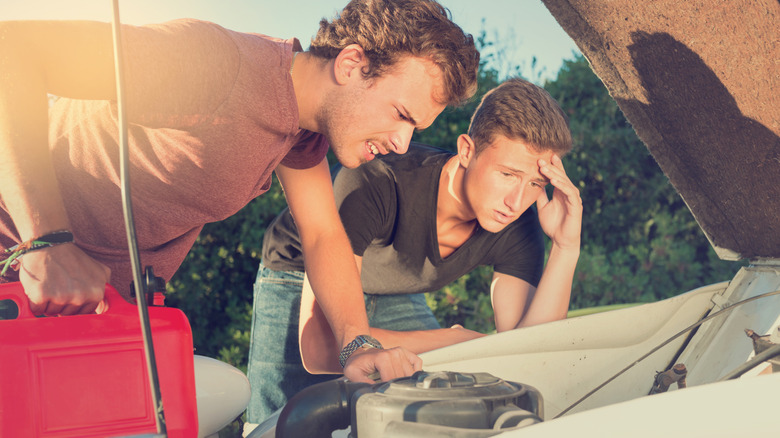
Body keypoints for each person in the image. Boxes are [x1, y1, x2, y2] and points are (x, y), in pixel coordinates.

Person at [0, 0, 480, 384]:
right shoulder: (216, 65)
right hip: (17, 280)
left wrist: (358, 344)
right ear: (352, 64)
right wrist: (45, 241)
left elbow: (321, 234)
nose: (402, 144)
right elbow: (13, 52)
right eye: (402, 114)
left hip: (97, 318)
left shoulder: (301, 134)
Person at [248, 77, 582, 422]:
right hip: (299, 271)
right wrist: (449, 340)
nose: (516, 201)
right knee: (279, 422)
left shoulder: (518, 222)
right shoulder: (375, 181)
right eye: (508, 174)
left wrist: (566, 246)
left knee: (424, 405)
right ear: (467, 150)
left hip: (394, 287)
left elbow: (524, 353)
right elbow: (320, 350)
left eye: (535, 184)